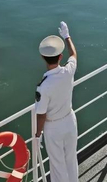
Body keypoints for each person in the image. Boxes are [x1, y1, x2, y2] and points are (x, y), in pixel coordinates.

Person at [35, 22, 78, 182]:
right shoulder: (68, 71)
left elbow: (41, 114)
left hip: (53, 127)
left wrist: (38, 134)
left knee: (57, 165)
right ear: (60, 57)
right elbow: (73, 55)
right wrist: (67, 36)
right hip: (70, 120)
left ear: (43, 58)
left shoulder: (43, 86)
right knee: (71, 159)